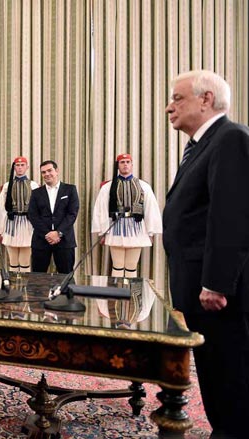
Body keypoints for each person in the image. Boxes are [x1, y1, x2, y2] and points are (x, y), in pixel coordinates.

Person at [163, 70, 249, 439]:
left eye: (177, 98)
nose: (169, 107)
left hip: (217, 294)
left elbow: (231, 216)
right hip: (200, 290)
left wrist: (215, 282)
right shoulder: (202, 144)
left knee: (230, 371)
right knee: (213, 369)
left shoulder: (230, 139)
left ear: (206, 98)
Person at [91, 153, 162, 278]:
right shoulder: (108, 187)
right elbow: (100, 209)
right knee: (117, 266)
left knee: (131, 267)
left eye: (128, 162)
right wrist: (102, 232)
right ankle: (117, 295)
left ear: (132, 165)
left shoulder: (144, 186)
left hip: (137, 228)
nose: (125, 165)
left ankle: (133, 296)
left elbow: (151, 209)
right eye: (122, 162)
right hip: (115, 228)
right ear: (117, 165)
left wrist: (150, 232)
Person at [28, 160, 79, 273]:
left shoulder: (70, 189)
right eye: (43, 172)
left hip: (64, 240)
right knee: (37, 278)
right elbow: (33, 215)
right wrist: (47, 234)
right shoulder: (36, 193)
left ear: (57, 171)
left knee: (65, 277)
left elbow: (72, 214)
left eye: (49, 170)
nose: (46, 174)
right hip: (41, 240)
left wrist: (58, 233)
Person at [0, 156, 39, 272]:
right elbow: (0, 208)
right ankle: (13, 288)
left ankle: (23, 288)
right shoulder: (7, 186)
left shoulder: (34, 185)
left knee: (25, 261)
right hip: (11, 224)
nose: (20, 168)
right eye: (17, 165)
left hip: (28, 225)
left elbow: (39, 208)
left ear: (27, 167)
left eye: (22, 165)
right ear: (14, 167)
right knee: (12, 260)